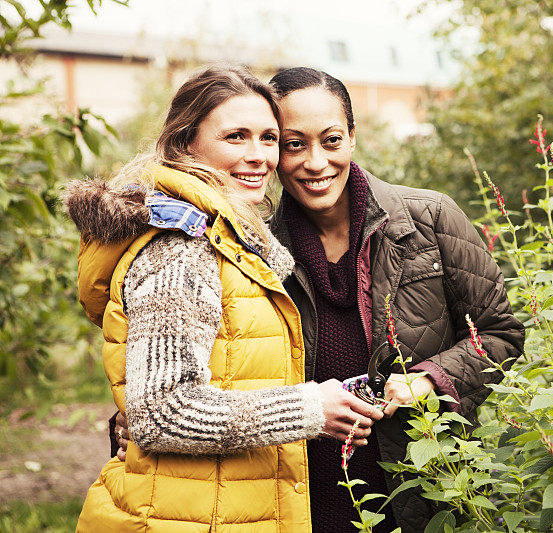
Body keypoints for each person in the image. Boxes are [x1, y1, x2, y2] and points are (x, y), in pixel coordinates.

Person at [111, 66, 525, 531]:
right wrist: (131, 424)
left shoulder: (428, 218)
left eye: (330, 140)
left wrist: (429, 379)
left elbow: (500, 333)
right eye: (292, 143)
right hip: (295, 500)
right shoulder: (247, 243)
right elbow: (200, 365)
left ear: (352, 138)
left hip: (424, 491)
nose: (315, 162)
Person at [63, 64, 384, 532]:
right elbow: (162, 412)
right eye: (236, 137)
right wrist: (312, 408)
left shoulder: (226, 238)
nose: (259, 156)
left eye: (269, 138)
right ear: (186, 143)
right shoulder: (181, 250)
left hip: (216, 508)